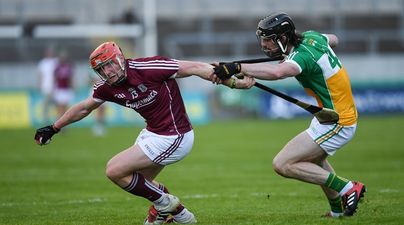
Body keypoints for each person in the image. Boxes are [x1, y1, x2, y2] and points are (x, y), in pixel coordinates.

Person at [34, 41, 255, 224]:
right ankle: (176, 214)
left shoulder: (148, 67)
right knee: (143, 182)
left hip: (175, 135)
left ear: (120, 58)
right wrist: (54, 128)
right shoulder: (107, 86)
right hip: (153, 133)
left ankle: (166, 206)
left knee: (114, 170)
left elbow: (197, 68)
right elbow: (84, 107)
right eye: (101, 69)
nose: (107, 72)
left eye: (110, 65)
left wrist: (235, 83)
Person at [213, 12, 366, 218]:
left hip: (338, 121)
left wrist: (237, 67)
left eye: (268, 39)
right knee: (315, 161)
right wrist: (243, 74)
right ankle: (337, 211)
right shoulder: (312, 37)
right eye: (262, 39)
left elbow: (278, 73)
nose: (264, 45)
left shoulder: (300, 57)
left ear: (283, 38)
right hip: (330, 115)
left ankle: (348, 188)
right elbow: (334, 39)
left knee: (283, 164)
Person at [37, 46, 58, 123]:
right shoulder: (42, 63)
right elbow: (40, 75)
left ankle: (57, 121)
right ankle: (46, 121)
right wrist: (40, 85)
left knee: (57, 105)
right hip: (46, 87)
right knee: (46, 106)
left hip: (56, 88)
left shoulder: (56, 61)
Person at [53, 50, 75, 120]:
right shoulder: (57, 67)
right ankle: (58, 123)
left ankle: (64, 124)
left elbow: (70, 78)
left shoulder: (68, 67)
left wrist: (73, 87)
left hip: (66, 89)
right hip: (59, 89)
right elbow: (55, 78)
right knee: (60, 108)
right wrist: (53, 88)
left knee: (65, 109)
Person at [89, 69, 107, 136]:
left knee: (102, 109)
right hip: (96, 90)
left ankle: (101, 126)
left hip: (105, 90)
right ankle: (97, 126)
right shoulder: (93, 70)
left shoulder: (104, 69)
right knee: (98, 109)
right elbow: (92, 81)